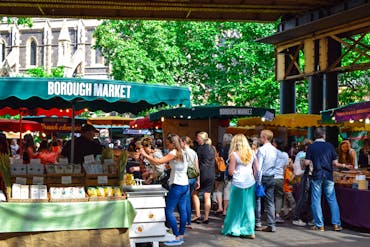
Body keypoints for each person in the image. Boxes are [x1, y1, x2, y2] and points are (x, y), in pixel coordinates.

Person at [140, 134, 188, 246]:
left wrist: (145, 155)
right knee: (182, 210)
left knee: (168, 211)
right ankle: (180, 235)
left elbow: (159, 162)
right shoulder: (182, 152)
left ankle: (176, 236)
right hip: (184, 184)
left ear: (173, 143)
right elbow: (168, 166)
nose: (166, 145)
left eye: (168, 143)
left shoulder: (173, 153)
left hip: (177, 184)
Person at [305, 127, 352, 232]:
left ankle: (319, 225)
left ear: (315, 136)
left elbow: (306, 163)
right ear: (324, 135)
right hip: (328, 175)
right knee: (332, 199)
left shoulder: (311, 147)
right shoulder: (330, 146)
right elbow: (335, 163)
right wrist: (345, 165)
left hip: (317, 175)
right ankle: (336, 224)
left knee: (316, 200)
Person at [221, 134, 257, 239]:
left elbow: (231, 172)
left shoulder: (234, 155)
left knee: (235, 207)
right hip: (250, 183)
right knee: (249, 208)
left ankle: (234, 229)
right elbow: (257, 169)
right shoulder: (252, 153)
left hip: (238, 183)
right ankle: (249, 231)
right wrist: (254, 179)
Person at [255, 129, 278, 232]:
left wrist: (258, 181)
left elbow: (259, 167)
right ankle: (271, 224)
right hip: (271, 177)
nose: (260, 138)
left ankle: (258, 222)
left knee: (258, 199)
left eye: (261, 136)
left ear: (264, 138)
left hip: (263, 177)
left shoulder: (261, 150)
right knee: (270, 201)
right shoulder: (274, 150)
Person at [192, 131, 215, 224]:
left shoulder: (199, 149)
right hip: (211, 173)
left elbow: (196, 163)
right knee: (207, 196)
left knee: (194, 193)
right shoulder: (212, 148)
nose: (197, 139)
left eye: (198, 138)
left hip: (202, 173)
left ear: (201, 139)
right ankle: (206, 217)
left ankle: (197, 214)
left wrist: (197, 177)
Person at [292, 138, 314, 227]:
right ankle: (296, 217)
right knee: (303, 198)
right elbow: (303, 167)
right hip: (304, 177)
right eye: (307, 146)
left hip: (304, 177)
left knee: (306, 198)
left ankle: (306, 218)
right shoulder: (302, 154)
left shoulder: (300, 154)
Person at [181, 136, 200, 229]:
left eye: (181, 142)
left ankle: (187, 221)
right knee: (188, 199)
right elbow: (197, 167)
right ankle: (187, 220)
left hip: (186, 177)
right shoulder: (194, 152)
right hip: (193, 177)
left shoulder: (183, 152)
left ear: (184, 142)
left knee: (186, 200)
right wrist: (198, 180)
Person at [272, 137, 289, 223]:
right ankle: (277, 215)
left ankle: (270, 214)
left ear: (275, 144)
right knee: (279, 197)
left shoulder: (272, 152)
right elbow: (285, 167)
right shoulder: (285, 155)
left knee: (270, 196)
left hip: (271, 176)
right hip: (280, 177)